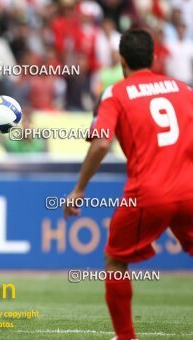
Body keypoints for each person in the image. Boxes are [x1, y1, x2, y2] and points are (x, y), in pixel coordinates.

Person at [64, 29, 193, 340]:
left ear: (121, 59)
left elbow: (99, 145)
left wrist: (79, 189)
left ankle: (125, 336)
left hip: (149, 194)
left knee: (115, 259)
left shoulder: (115, 94)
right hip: (190, 191)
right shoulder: (185, 89)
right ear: (154, 57)